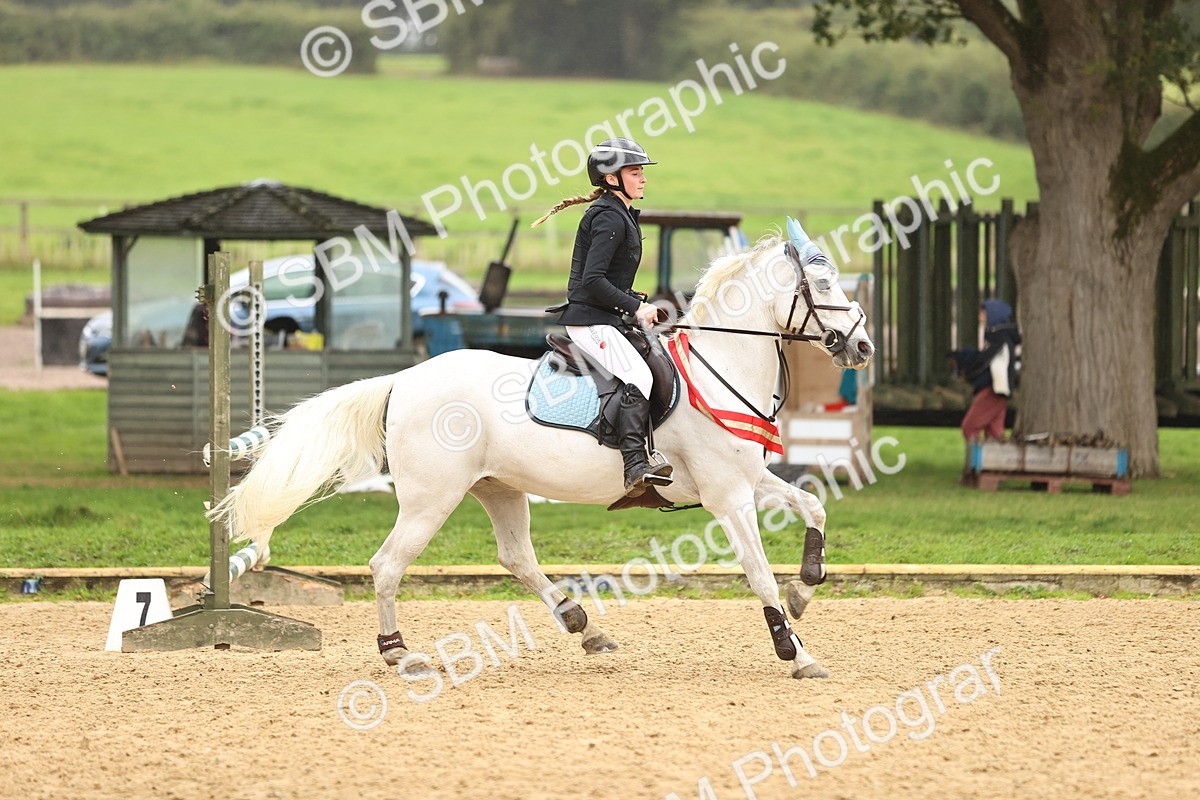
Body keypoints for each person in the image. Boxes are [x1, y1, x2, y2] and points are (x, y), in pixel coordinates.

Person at [532, 137, 672, 497]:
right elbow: (592, 281)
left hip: (606, 317)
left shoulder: (620, 213)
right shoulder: (609, 216)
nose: (643, 178)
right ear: (612, 179)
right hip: (590, 321)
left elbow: (609, 280)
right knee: (638, 375)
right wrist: (635, 307)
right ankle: (634, 465)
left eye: (641, 172)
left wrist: (635, 300)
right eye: (635, 172)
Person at [950, 299, 1021, 441]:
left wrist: (969, 373)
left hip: (994, 389)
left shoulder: (998, 339)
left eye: (983, 313)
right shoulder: (1003, 338)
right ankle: (1000, 455)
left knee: (970, 427)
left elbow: (983, 362)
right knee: (995, 432)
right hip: (1001, 391)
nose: (980, 317)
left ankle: (977, 455)